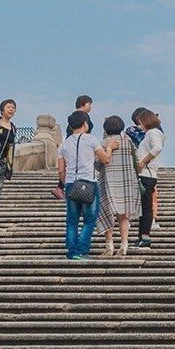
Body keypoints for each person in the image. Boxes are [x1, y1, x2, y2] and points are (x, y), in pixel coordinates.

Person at [56, 111, 101, 261]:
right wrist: (109, 148)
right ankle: (81, 250)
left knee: (72, 220)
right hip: (88, 183)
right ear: (85, 124)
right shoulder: (91, 140)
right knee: (90, 218)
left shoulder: (64, 144)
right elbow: (105, 159)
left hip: (70, 184)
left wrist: (66, 182)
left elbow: (61, 169)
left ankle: (71, 251)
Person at [94, 115, 141, 257]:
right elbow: (136, 160)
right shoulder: (128, 142)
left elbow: (97, 163)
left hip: (107, 181)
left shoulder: (103, 143)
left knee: (106, 213)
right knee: (123, 215)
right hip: (127, 180)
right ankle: (124, 244)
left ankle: (109, 244)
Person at [131, 108, 163, 246]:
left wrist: (143, 161)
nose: (140, 126)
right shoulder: (154, 133)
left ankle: (145, 237)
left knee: (146, 207)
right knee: (144, 207)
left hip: (147, 173)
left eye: (140, 122)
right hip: (148, 173)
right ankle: (142, 237)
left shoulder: (152, 133)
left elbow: (157, 148)